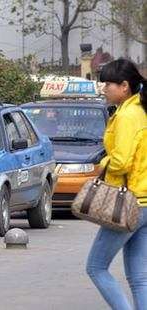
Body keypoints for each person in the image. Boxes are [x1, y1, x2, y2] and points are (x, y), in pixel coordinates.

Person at [85, 59, 147, 310]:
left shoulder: (128, 116)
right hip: (143, 201)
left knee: (96, 267)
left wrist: (102, 164)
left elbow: (121, 162)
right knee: (139, 276)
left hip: (128, 202)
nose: (104, 89)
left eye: (108, 84)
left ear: (124, 86)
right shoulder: (140, 110)